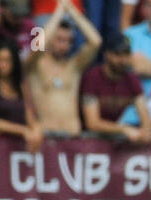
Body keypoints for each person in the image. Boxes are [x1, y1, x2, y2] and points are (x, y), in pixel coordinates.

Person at [27, 0, 103, 134]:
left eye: (68, 41)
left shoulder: (73, 66)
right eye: (60, 40)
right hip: (48, 138)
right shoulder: (36, 67)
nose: (64, 46)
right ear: (50, 38)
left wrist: (72, 10)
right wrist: (59, 12)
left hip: (73, 137)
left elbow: (96, 42)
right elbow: (37, 46)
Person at [81, 32, 151, 140]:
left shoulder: (131, 79)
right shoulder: (93, 77)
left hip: (109, 137)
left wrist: (146, 132)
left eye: (126, 54)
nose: (123, 60)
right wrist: (124, 129)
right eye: (118, 55)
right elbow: (92, 123)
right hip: (83, 139)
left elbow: (144, 114)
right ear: (107, 54)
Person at [0, 39, 43, 151]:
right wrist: (23, 130)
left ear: (14, 62)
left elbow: (30, 115)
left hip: (20, 148)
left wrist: (36, 129)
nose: (2, 65)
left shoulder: (21, 84)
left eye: (7, 60)